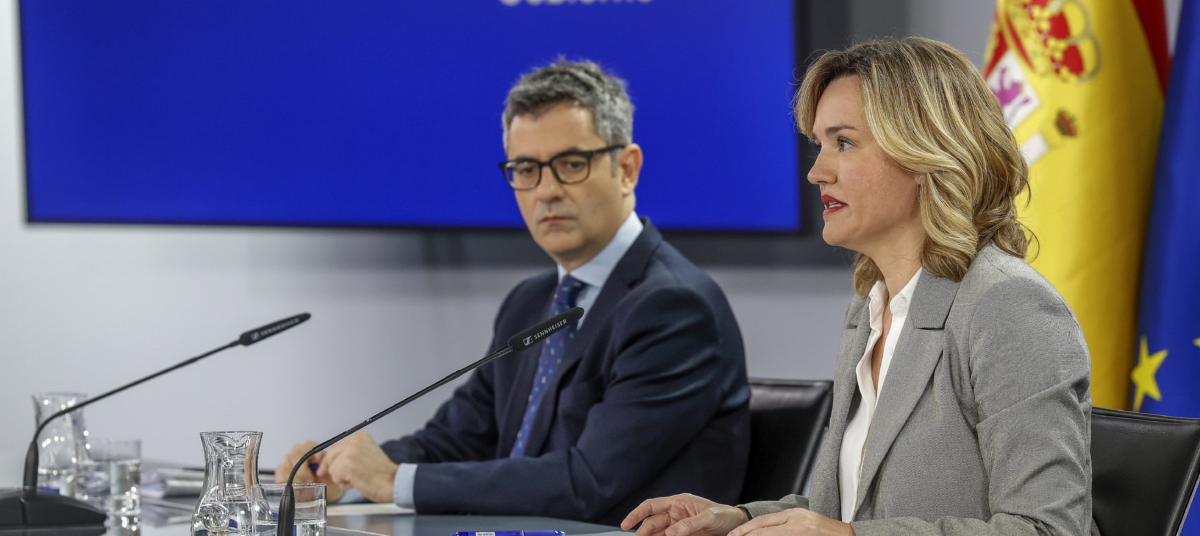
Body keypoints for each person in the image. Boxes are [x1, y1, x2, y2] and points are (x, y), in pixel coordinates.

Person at [622, 37, 1092, 535]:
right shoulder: (872, 306)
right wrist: (737, 519)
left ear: (926, 151)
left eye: (843, 143)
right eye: (819, 145)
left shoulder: (1007, 306)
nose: (816, 172)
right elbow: (857, 506)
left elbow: (1049, 529)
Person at [277, 59, 751, 525]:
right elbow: (457, 439)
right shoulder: (531, 301)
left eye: (570, 164)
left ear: (627, 168)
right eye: (526, 169)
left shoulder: (673, 307)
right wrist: (346, 473)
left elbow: (587, 483)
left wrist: (397, 481)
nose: (545, 191)